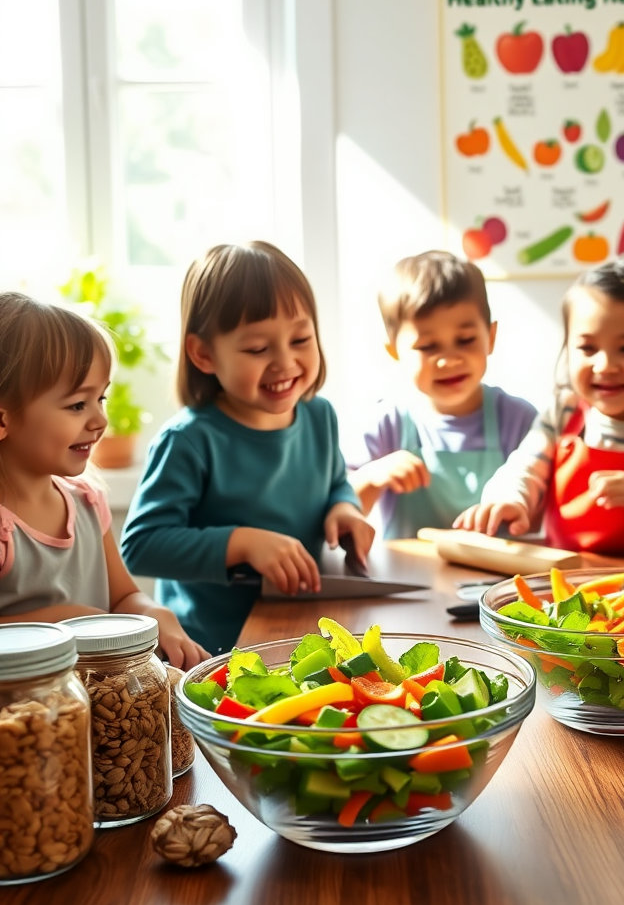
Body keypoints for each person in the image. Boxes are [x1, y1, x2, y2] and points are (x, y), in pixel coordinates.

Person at [120, 242, 373, 654]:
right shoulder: (188, 440)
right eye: (258, 348)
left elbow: (336, 482)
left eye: (301, 338)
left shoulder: (319, 415)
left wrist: (344, 508)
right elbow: (141, 546)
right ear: (203, 354)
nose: (285, 362)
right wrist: (242, 542)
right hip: (211, 650)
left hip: (299, 629)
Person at [454, 259, 624, 557]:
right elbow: (522, 469)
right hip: (562, 584)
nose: (604, 366)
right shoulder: (563, 412)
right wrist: (509, 500)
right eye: (587, 348)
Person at [0, 293, 206, 669]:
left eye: (102, 399)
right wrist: (64, 620)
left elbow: (124, 597)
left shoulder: (87, 504)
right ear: (2, 420)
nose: (99, 420)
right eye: (78, 404)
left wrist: (151, 613)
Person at [348, 250, 536, 538]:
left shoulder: (519, 420)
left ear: (492, 337)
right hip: (409, 581)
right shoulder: (386, 422)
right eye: (427, 346)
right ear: (394, 350)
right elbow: (340, 514)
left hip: (500, 582)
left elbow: (543, 517)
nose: (449, 360)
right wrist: (371, 477)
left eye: (465, 340)